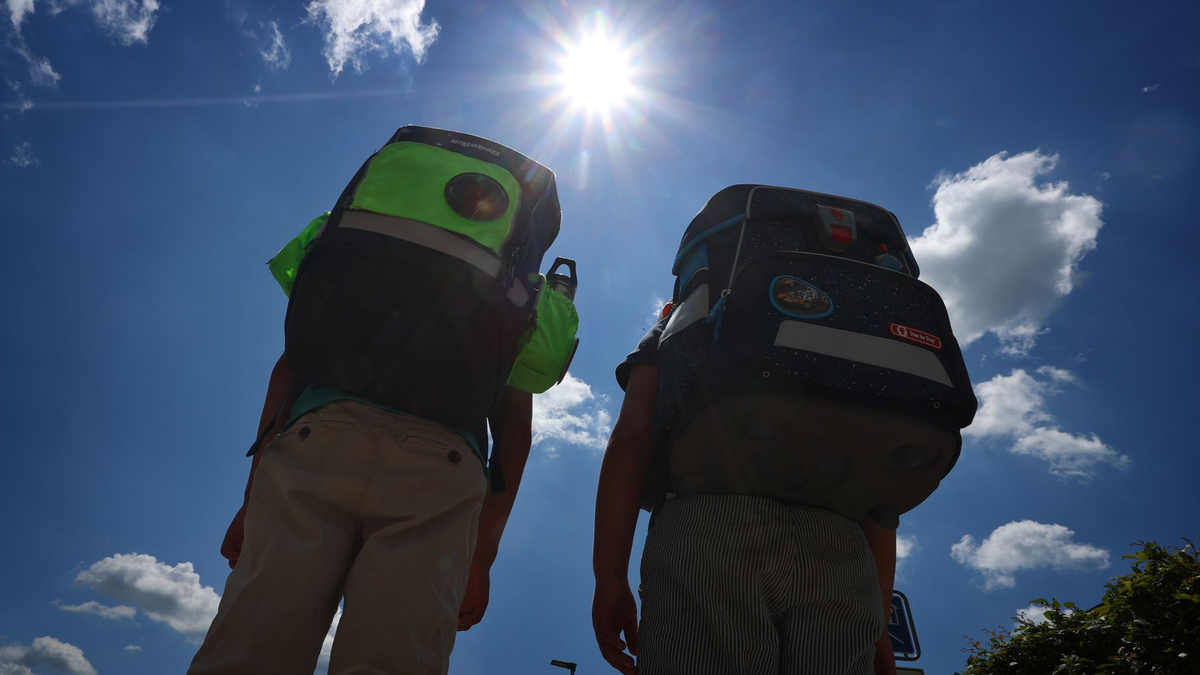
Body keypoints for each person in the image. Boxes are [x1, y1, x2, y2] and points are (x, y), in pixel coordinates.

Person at [188, 126, 578, 675]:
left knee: (250, 650)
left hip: (315, 438)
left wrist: (253, 498)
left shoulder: (360, 244)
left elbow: (290, 366)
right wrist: (480, 557)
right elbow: (515, 432)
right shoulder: (513, 291)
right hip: (441, 464)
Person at [591, 321, 898, 675]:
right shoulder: (862, 320)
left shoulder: (688, 311)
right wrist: (881, 617)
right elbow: (879, 473)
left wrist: (610, 576)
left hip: (706, 526)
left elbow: (632, 434)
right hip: (840, 539)